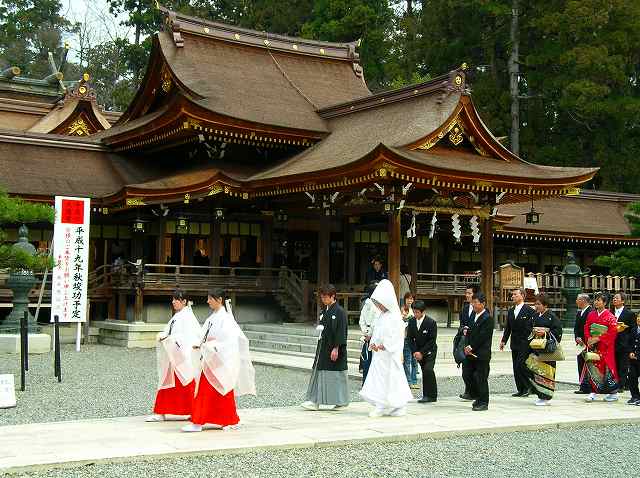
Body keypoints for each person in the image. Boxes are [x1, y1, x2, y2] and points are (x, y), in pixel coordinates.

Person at [182, 289, 256, 432]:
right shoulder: (213, 317)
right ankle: (210, 420)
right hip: (210, 358)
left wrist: (209, 346)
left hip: (219, 359)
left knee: (219, 390)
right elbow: (204, 335)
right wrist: (200, 344)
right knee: (210, 391)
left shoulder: (226, 319)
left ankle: (217, 420)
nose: (208, 301)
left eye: (210, 298)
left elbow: (228, 342)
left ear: (220, 300)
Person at [146, 289, 202, 422]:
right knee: (167, 384)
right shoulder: (178, 316)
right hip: (173, 355)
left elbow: (189, 337)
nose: (173, 302)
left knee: (186, 384)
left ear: (184, 301)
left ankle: (193, 411)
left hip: (182, 356)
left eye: (176, 299)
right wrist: (164, 336)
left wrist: (169, 338)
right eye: (173, 299)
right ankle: (161, 411)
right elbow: (171, 332)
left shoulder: (187, 317)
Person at [360, 279, 413, 417]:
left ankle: (397, 405)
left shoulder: (395, 317)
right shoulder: (381, 316)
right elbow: (377, 332)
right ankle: (381, 404)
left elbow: (397, 335)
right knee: (379, 380)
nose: (379, 306)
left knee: (393, 380)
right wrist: (373, 342)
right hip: (380, 355)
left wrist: (386, 345)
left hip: (390, 354)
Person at [302, 284, 349, 410]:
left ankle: (341, 401)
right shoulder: (326, 311)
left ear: (333, 296)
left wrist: (336, 348)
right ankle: (315, 400)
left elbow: (341, 331)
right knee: (320, 373)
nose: (323, 300)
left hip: (333, 348)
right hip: (323, 347)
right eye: (322, 297)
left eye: (325, 297)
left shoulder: (340, 312)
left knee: (336, 375)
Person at [525, 294, 563, 406]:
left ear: (545, 305)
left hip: (547, 349)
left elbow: (558, 331)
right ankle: (540, 394)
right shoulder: (535, 316)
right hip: (537, 347)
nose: (536, 306)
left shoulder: (552, 317)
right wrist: (534, 331)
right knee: (536, 371)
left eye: (538, 304)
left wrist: (545, 332)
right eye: (535, 304)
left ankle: (546, 396)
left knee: (547, 372)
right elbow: (528, 328)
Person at [582, 292, 620, 403]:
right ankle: (592, 392)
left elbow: (613, 332)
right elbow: (586, 327)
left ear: (605, 303)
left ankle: (613, 393)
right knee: (592, 366)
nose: (596, 302)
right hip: (593, 346)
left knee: (607, 369)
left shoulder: (610, 317)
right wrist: (589, 338)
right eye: (596, 300)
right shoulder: (591, 314)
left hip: (605, 347)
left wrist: (598, 338)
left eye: (599, 300)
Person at [499, 287, 535, 397]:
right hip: (514, 342)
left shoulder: (529, 311)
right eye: (512, 295)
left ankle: (528, 387)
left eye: (515, 294)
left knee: (522, 365)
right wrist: (503, 340)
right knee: (515, 366)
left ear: (522, 296)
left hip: (525, 343)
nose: (513, 296)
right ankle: (520, 389)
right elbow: (508, 327)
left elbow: (532, 328)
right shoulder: (511, 311)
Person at [462, 292, 493, 411]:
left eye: (476, 302)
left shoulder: (487, 318)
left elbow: (483, 336)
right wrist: (466, 345)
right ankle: (476, 396)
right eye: (472, 302)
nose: (473, 305)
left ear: (483, 304)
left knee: (481, 377)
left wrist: (471, 346)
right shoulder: (472, 315)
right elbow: (469, 332)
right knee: (468, 374)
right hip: (470, 351)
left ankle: (483, 401)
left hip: (481, 353)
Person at [407, 300, 438, 403]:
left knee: (428, 369)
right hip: (418, 351)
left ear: (423, 311)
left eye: (417, 312)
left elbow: (432, 340)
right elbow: (410, 338)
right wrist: (415, 352)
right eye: (414, 311)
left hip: (429, 351)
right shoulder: (411, 322)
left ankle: (430, 395)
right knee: (425, 370)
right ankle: (429, 395)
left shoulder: (431, 322)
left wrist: (422, 352)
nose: (415, 314)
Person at [612, 292, 636, 392]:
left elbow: (633, 330)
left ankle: (621, 385)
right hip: (612, 342)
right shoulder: (609, 312)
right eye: (614, 298)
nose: (614, 299)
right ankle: (622, 383)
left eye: (617, 298)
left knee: (623, 365)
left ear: (623, 301)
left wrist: (628, 341)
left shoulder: (629, 313)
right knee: (615, 364)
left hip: (624, 343)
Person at [458, 285, 478, 401]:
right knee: (466, 369)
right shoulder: (465, 308)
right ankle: (468, 390)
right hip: (466, 341)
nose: (467, 295)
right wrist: (463, 329)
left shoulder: (481, 309)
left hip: (476, 342)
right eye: (466, 293)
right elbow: (461, 324)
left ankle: (475, 392)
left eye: (470, 293)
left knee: (475, 370)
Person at [359, 282, 380, 384]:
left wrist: (365, 333)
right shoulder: (376, 306)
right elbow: (375, 322)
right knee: (372, 360)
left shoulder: (365, 303)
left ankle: (365, 381)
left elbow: (361, 320)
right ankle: (370, 383)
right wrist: (370, 334)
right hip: (373, 335)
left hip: (367, 334)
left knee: (367, 359)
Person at [573, 293, 592, 394]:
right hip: (580, 344)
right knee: (580, 363)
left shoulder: (590, 312)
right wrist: (577, 337)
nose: (576, 301)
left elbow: (590, 328)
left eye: (578, 299)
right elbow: (576, 328)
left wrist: (584, 339)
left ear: (583, 301)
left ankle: (588, 386)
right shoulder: (579, 312)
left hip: (587, 343)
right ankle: (582, 385)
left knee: (587, 364)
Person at [401, 292, 419, 389]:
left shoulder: (415, 310)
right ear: (405, 300)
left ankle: (414, 380)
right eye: (408, 299)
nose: (410, 301)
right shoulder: (401, 310)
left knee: (414, 361)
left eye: (411, 299)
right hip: (406, 338)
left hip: (415, 338)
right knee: (407, 361)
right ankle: (408, 381)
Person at [627, 313, 640, 405]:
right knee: (632, 377)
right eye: (638, 317)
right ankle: (635, 396)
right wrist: (630, 352)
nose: (639, 319)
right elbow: (630, 343)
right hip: (633, 359)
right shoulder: (634, 329)